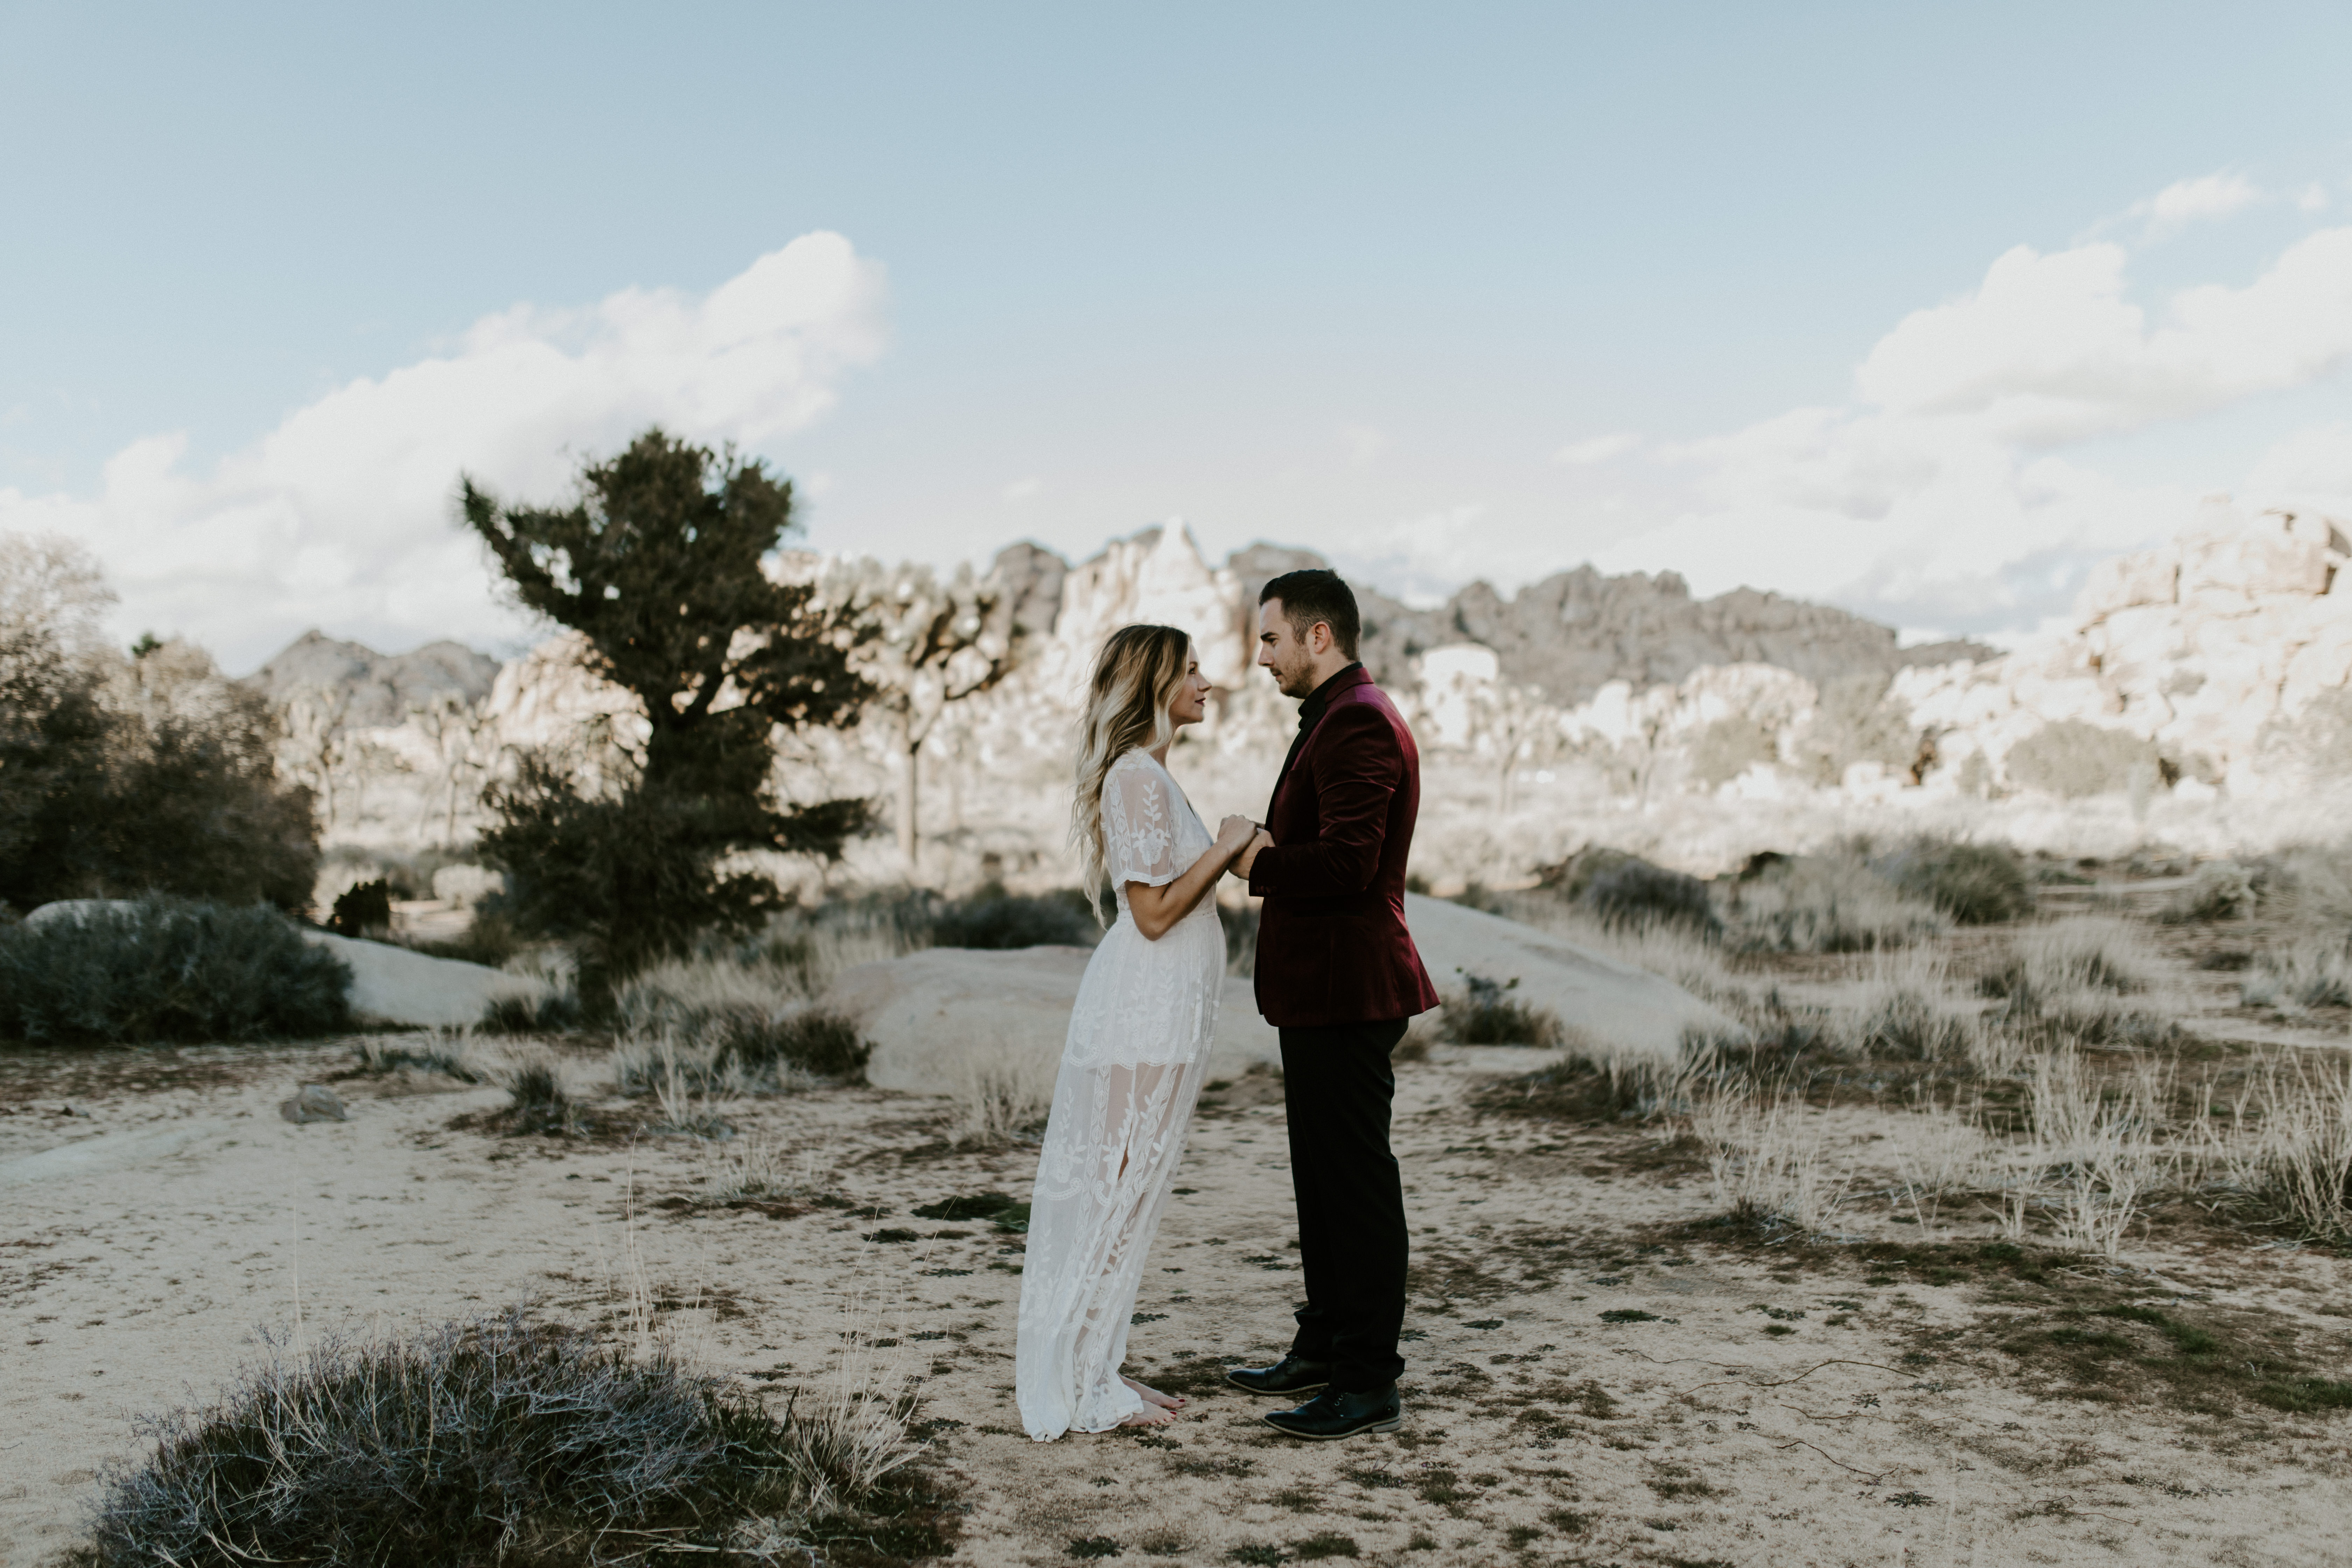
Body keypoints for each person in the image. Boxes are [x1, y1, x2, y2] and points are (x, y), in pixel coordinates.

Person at [1015, 624, 1260, 1439]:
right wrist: (1224, 849)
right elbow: (1152, 912)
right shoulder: (1134, 779)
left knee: (1131, 1188)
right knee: (1115, 1188)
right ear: (1154, 683)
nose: (1207, 680)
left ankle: (1097, 1365)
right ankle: (1081, 1381)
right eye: (1190, 669)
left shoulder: (1155, 776)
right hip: (1144, 1003)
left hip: (1167, 1008)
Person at [1224, 568, 1440, 1441]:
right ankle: (1324, 1342)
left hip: (1350, 989)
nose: (1260, 656)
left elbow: (1350, 863)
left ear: (1320, 635)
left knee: (1354, 1186)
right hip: (1321, 992)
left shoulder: (1356, 720)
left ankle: (1366, 1380)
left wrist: (1256, 862)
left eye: (1271, 638)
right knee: (1323, 1179)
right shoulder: (1337, 714)